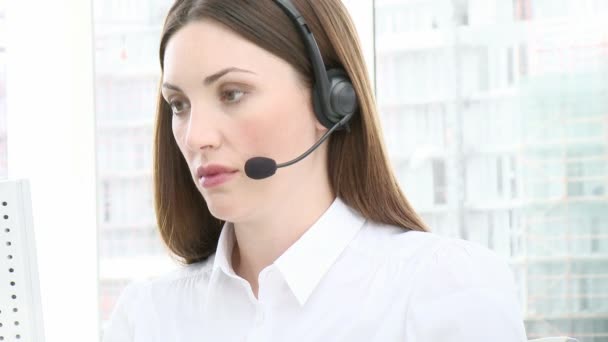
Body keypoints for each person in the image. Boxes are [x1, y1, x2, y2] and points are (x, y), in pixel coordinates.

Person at [102, 0, 528, 341]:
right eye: (179, 105)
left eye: (232, 93)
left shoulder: (439, 288)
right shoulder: (147, 316)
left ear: (332, 102)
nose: (195, 137)